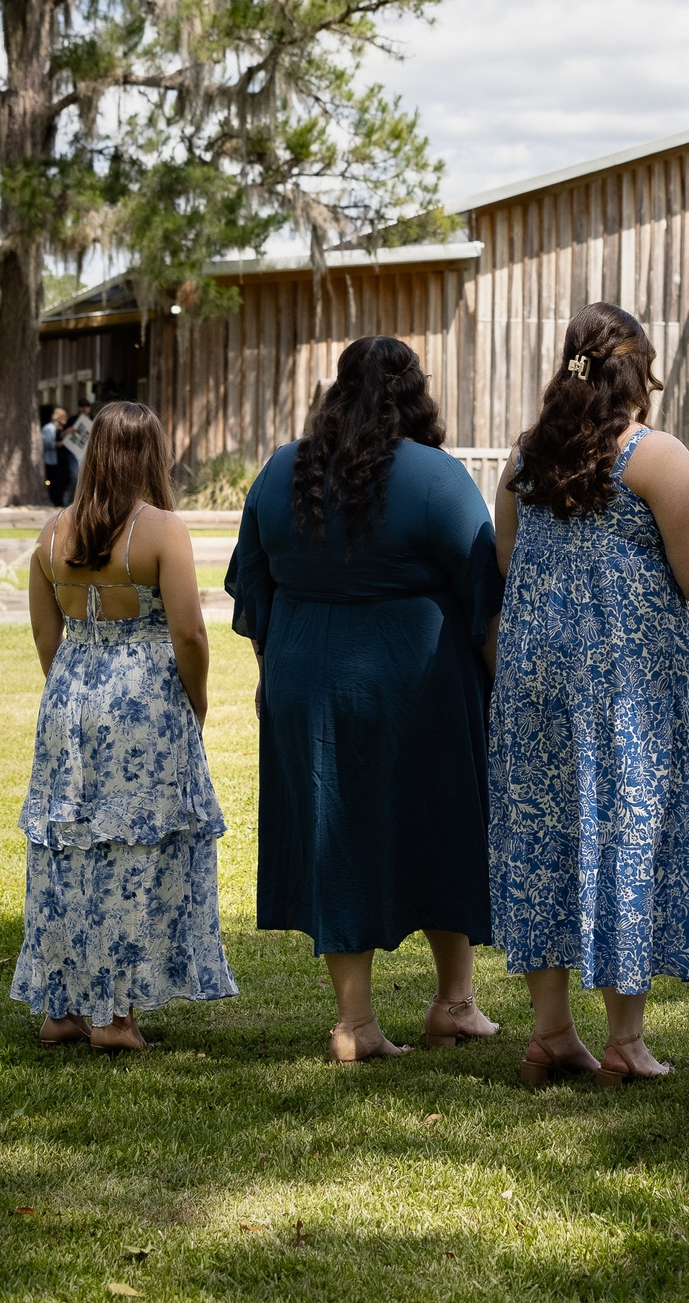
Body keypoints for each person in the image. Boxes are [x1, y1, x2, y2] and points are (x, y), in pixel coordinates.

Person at [225, 338, 502, 1061]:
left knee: (333, 833)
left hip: (301, 676)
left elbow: (253, 584)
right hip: (416, 680)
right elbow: (485, 587)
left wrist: (270, 671)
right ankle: (454, 1002)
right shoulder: (438, 477)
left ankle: (356, 1021)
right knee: (442, 824)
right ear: (417, 395)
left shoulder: (281, 469)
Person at [488, 303, 689, 1089]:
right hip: (621, 685)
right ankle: (624, 1038)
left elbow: (507, 558)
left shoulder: (525, 458)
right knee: (625, 827)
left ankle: (552, 1031)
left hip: (532, 678)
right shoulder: (654, 457)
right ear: (640, 375)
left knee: (542, 836)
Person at [15, 401, 236, 1049]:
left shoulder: (53, 535)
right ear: (152, 455)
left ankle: (61, 1009)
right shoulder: (162, 530)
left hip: (69, 699)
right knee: (130, 852)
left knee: (65, 846)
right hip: (144, 702)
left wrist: (73, 688)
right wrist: (195, 701)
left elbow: (43, 631)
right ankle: (116, 1016)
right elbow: (190, 631)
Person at [42, 406, 68, 507]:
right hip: (51, 459)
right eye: (62, 417)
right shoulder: (49, 428)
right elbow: (45, 443)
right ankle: (55, 501)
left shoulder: (62, 429)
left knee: (62, 481)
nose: (64, 419)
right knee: (52, 481)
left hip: (61, 459)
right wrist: (56, 444)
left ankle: (60, 501)